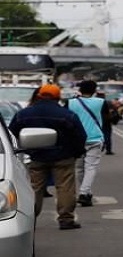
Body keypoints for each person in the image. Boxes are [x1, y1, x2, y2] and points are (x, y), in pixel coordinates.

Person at [9, 84, 87, 230]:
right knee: (65, 188)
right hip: (63, 157)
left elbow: (11, 134)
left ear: (39, 95)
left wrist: (23, 150)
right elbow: (80, 136)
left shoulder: (24, 114)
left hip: (36, 157)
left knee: (34, 188)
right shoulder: (67, 114)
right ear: (58, 97)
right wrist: (76, 152)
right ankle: (66, 219)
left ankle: (29, 218)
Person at [67, 80, 107, 207]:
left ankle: (86, 193)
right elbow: (107, 119)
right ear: (95, 90)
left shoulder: (70, 103)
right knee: (90, 167)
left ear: (80, 90)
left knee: (79, 168)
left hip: (77, 140)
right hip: (95, 138)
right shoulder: (101, 102)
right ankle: (84, 193)